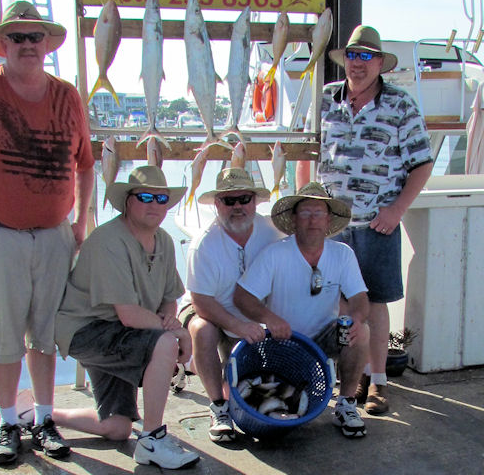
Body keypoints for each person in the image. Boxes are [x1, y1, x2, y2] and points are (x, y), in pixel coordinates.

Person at [0, 1, 95, 465]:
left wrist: (80, 223)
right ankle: (9, 421)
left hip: (54, 237)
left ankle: (43, 419)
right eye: (18, 37)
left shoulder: (67, 95)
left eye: (35, 37)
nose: (28, 45)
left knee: (45, 335)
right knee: (3, 337)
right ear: (4, 43)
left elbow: (85, 166)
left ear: (47, 44)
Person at [296, 25, 433, 415]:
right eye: (352, 56)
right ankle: (348, 383)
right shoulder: (325, 99)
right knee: (336, 304)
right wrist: (306, 209)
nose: (358, 64)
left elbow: (422, 164)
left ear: (379, 63)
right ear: (346, 61)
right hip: (330, 226)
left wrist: (396, 211)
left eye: (366, 57)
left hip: (377, 224)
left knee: (372, 304)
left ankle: (378, 383)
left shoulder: (401, 104)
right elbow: (309, 155)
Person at [53, 166, 200, 470]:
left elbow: (169, 298)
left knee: (117, 429)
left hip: (120, 332)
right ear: (127, 201)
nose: (155, 205)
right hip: (86, 331)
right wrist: (179, 335)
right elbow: (130, 315)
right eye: (145, 196)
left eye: (161, 198)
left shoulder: (165, 241)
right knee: (163, 343)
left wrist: (172, 323)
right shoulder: (108, 240)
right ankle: (152, 440)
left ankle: (40, 415)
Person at [234, 182, 370, 438]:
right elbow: (242, 297)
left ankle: (346, 404)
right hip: (281, 345)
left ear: (328, 218)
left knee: (362, 332)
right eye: (305, 212)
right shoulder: (275, 254)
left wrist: (357, 318)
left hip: (323, 343)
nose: (312, 220)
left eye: (318, 213)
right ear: (294, 219)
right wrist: (268, 318)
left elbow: (360, 297)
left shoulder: (343, 254)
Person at [176, 167, 282, 443]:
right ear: (216, 204)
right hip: (207, 310)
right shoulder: (203, 244)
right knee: (202, 330)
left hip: (252, 314)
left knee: (254, 385)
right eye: (228, 200)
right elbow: (201, 301)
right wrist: (237, 326)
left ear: (255, 201)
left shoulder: (273, 231)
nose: (237, 206)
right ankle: (218, 407)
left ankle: (212, 377)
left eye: (244, 199)